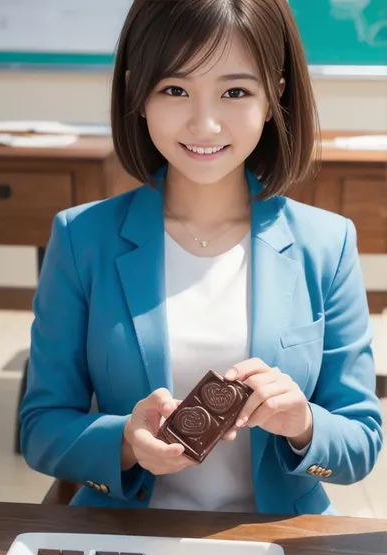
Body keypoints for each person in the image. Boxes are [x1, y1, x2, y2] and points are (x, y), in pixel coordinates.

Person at [20, 0, 382, 514]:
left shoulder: (327, 242)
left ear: (274, 96)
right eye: (174, 89)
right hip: (127, 542)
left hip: (276, 547)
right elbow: (41, 427)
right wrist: (124, 442)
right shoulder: (83, 237)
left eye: (235, 91)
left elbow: (362, 443)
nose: (205, 123)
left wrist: (303, 423)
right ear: (137, 94)